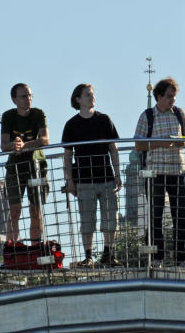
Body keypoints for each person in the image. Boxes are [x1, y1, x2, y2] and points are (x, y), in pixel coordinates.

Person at [134, 77, 185, 267]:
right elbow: (138, 144)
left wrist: (180, 140)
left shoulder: (179, 113)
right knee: (155, 216)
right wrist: (162, 142)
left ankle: (180, 257)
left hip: (177, 171)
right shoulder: (147, 116)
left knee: (181, 216)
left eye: (174, 97)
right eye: (169, 96)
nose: (172, 100)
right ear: (159, 96)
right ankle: (156, 257)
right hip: (155, 173)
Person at [62, 84, 123, 267]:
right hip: (85, 180)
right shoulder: (71, 125)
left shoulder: (104, 120)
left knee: (111, 218)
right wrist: (70, 181)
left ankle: (108, 254)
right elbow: (67, 155)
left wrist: (118, 174)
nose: (92, 97)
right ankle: (88, 256)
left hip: (106, 177)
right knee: (87, 220)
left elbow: (113, 148)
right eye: (88, 95)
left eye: (93, 94)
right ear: (78, 99)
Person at [0, 83, 50, 245]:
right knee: (15, 210)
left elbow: (45, 140)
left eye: (30, 95)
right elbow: (3, 145)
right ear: (14, 99)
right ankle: (11, 248)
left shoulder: (38, 114)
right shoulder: (8, 116)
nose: (28, 99)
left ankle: (36, 246)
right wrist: (15, 145)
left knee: (35, 209)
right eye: (24, 96)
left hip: (36, 167)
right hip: (15, 168)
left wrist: (24, 145)